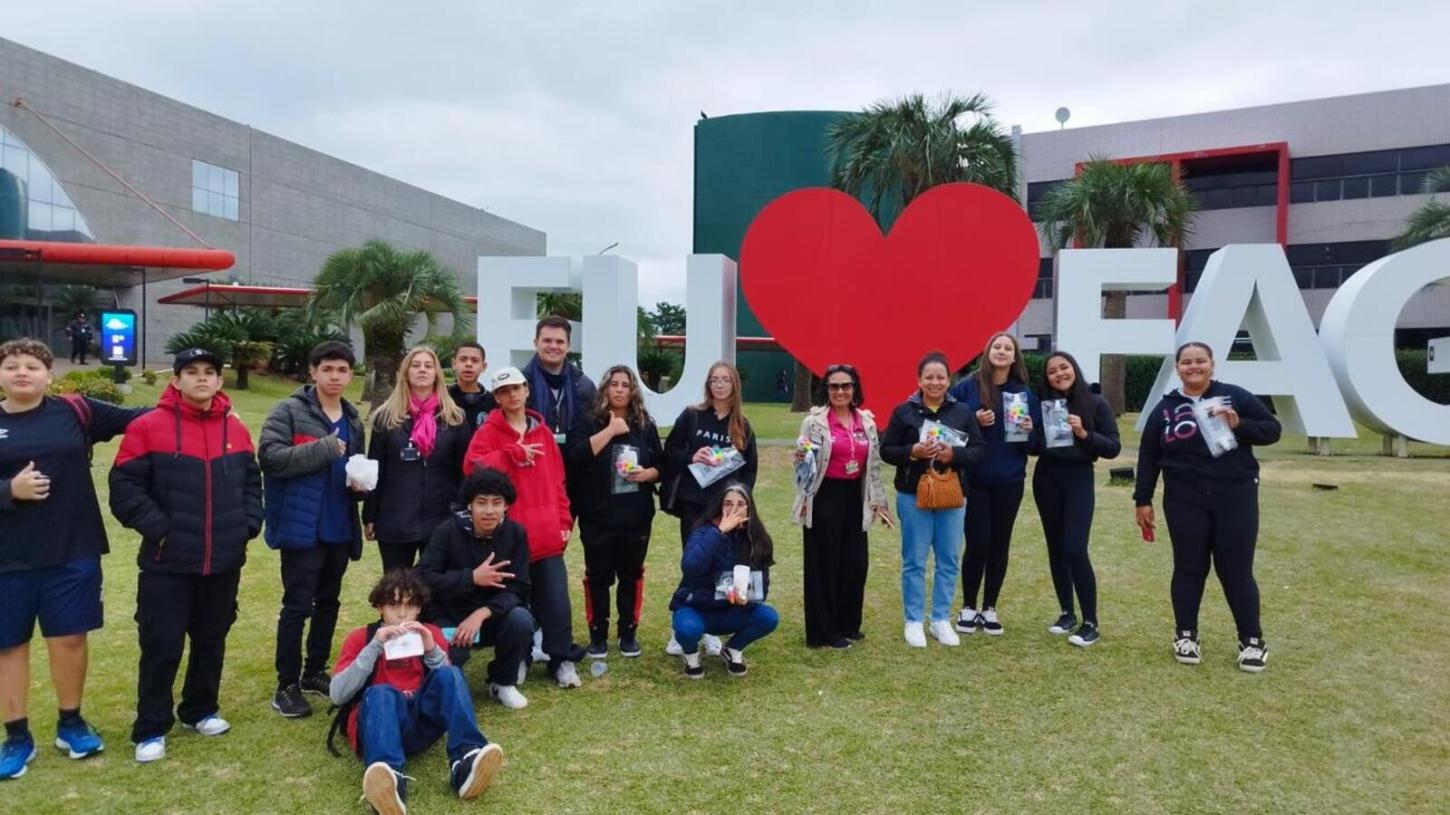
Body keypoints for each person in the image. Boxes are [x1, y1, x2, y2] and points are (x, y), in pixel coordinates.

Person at [0, 339, 147, 779]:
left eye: (32, 365)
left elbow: (141, 419)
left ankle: (71, 722)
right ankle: (17, 737)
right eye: (11, 366)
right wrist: (9, 491)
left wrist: (206, 410)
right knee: (9, 646)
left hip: (72, 550)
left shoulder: (75, 411)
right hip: (7, 558)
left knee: (69, 639)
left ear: (50, 375)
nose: (21, 372)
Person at [107, 348, 263, 763]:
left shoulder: (236, 428)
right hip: (167, 562)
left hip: (223, 561)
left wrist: (248, 523)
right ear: (176, 379)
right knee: (162, 645)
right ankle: (151, 727)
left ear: (219, 380)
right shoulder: (147, 427)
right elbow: (124, 488)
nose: (201, 378)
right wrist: (161, 529)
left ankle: (200, 709)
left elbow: (251, 479)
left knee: (211, 639)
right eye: (191, 372)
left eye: (209, 372)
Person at [1134, 342, 1281, 672]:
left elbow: (1272, 431)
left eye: (1200, 361)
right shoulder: (1165, 409)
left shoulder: (1235, 396)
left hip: (1235, 495)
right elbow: (1148, 457)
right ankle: (1186, 635)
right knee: (1188, 568)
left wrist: (1238, 424)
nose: (1194, 367)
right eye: (1187, 362)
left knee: (1236, 569)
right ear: (1178, 368)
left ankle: (1252, 640)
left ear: (1212, 365)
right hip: (1184, 499)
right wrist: (1142, 499)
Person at [330, 570, 505, 815]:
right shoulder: (362, 638)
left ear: (419, 610)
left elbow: (448, 688)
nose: (402, 614)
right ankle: (388, 780)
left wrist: (431, 649)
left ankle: (466, 760)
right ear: (380, 607)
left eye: (410, 606)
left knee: (451, 673)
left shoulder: (429, 633)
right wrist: (374, 647)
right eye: (393, 605)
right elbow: (337, 694)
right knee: (382, 692)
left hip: (418, 723)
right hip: (379, 723)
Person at [259, 341, 367, 718]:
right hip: (302, 529)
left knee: (329, 603)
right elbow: (270, 459)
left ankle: (314, 671)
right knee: (296, 605)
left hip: (338, 525)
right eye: (328, 369)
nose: (335, 377)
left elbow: (353, 465)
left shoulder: (353, 418)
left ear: (351, 375)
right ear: (313, 372)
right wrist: (323, 449)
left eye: (342, 370)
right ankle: (286, 683)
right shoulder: (288, 411)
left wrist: (361, 485)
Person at [463, 366, 583, 689]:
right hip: (507, 537)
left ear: (527, 390)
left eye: (517, 388)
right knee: (513, 603)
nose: (512, 395)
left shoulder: (543, 433)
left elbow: (558, 483)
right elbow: (472, 467)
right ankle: (519, 657)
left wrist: (563, 522)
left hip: (545, 533)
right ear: (497, 397)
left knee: (555, 600)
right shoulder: (488, 432)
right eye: (504, 391)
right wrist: (510, 454)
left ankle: (561, 659)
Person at [880, 350, 984, 648]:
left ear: (949, 379)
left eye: (941, 377)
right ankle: (913, 621)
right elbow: (887, 450)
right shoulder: (904, 412)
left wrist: (954, 454)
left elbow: (979, 450)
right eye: (929, 377)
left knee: (949, 559)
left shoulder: (962, 412)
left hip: (952, 494)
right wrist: (913, 451)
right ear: (919, 380)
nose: (935, 383)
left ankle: (940, 619)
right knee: (914, 560)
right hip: (913, 494)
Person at [413, 467, 534, 710]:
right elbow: (422, 577)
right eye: (481, 503)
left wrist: (482, 613)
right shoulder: (447, 531)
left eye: (496, 503)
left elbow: (520, 587)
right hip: (450, 618)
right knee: (449, 664)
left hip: (491, 618)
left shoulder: (516, 533)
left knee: (522, 620)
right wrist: (471, 578)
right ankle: (442, 686)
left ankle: (503, 682)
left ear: (506, 506)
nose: (489, 510)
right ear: (469, 505)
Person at [564, 365, 663, 660]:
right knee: (598, 576)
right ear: (605, 388)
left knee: (631, 575)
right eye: (614, 384)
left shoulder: (644, 424)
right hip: (597, 516)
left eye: (625, 385)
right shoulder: (588, 421)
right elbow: (574, 457)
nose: (620, 389)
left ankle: (628, 631)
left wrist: (647, 474)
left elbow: (662, 465)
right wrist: (610, 430)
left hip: (636, 516)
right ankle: (598, 633)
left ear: (633, 391)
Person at [660, 361, 758, 656]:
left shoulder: (742, 424)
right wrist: (693, 455)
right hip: (694, 505)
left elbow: (750, 470)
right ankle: (681, 628)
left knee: (720, 567)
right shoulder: (693, 416)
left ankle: (710, 630)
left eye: (725, 380)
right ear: (708, 385)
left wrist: (740, 504)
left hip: (724, 509)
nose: (719, 384)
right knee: (694, 564)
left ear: (734, 385)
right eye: (714, 379)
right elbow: (669, 453)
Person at [790, 364, 891, 649]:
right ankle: (825, 631)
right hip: (824, 497)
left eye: (846, 386)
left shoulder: (866, 422)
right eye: (834, 386)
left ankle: (848, 623)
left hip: (855, 497)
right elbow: (804, 465)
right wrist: (799, 459)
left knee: (855, 563)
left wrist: (879, 503)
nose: (840, 391)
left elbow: (873, 468)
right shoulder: (814, 422)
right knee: (825, 565)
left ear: (855, 389)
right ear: (826, 390)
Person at [1030, 351, 1120, 648]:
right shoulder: (1042, 404)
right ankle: (1066, 612)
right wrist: (1028, 431)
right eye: (1052, 371)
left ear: (1074, 369)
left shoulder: (1095, 402)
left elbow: (1112, 448)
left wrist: (1083, 432)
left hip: (1078, 479)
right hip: (1046, 479)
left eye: (1063, 368)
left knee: (1075, 548)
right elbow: (1033, 448)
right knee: (1056, 548)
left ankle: (1090, 621)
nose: (1059, 374)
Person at [950, 332, 1036, 637]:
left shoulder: (1023, 394)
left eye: (1007, 348)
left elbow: (1034, 446)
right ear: (986, 353)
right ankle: (969, 606)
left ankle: (990, 608)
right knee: (977, 543)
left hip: (1009, 480)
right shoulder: (966, 388)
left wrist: (1029, 430)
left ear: (1014, 358)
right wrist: (973, 419)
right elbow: (946, 428)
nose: (1002, 351)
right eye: (996, 346)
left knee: (1000, 544)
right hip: (974, 480)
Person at [363, 346, 472, 572]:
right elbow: (375, 468)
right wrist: (370, 515)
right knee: (397, 589)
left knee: (438, 589)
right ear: (405, 372)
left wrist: (462, 509)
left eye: (428, 365)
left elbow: (464, 471)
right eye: (416, 365)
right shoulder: (386, 417)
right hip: (396, 518)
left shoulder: (454, 417)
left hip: (442, 517)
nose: (422, 370)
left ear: (437, 374)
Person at [669, 483, 778, 678]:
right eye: (728, 503)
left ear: (749, 507)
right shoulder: (703, 531)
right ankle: (691, 655)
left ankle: (733, 649)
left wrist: (749, 600)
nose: (734, 509)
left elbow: (763, 586)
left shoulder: (759, 539)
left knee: (768, 617)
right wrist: (719, 532)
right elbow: (691, 567)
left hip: (732, 610)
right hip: (698, 607)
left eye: (740, 503)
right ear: (720, 506)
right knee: (687, 629)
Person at [522, 316, 596, 445]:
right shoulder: (519, 384)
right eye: (547, 341)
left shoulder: (585, 386)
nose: (553, 346)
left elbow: (593, 429)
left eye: (560, 342)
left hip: (574, 460)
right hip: (532, 457)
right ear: (535, 343)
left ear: (568, 346)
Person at [448, 341, 495, 429]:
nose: (468, 364)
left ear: (483, 367)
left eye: (475, 360)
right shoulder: (442, 397)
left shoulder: (492, 401)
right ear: (454, 364)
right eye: (463, 359)